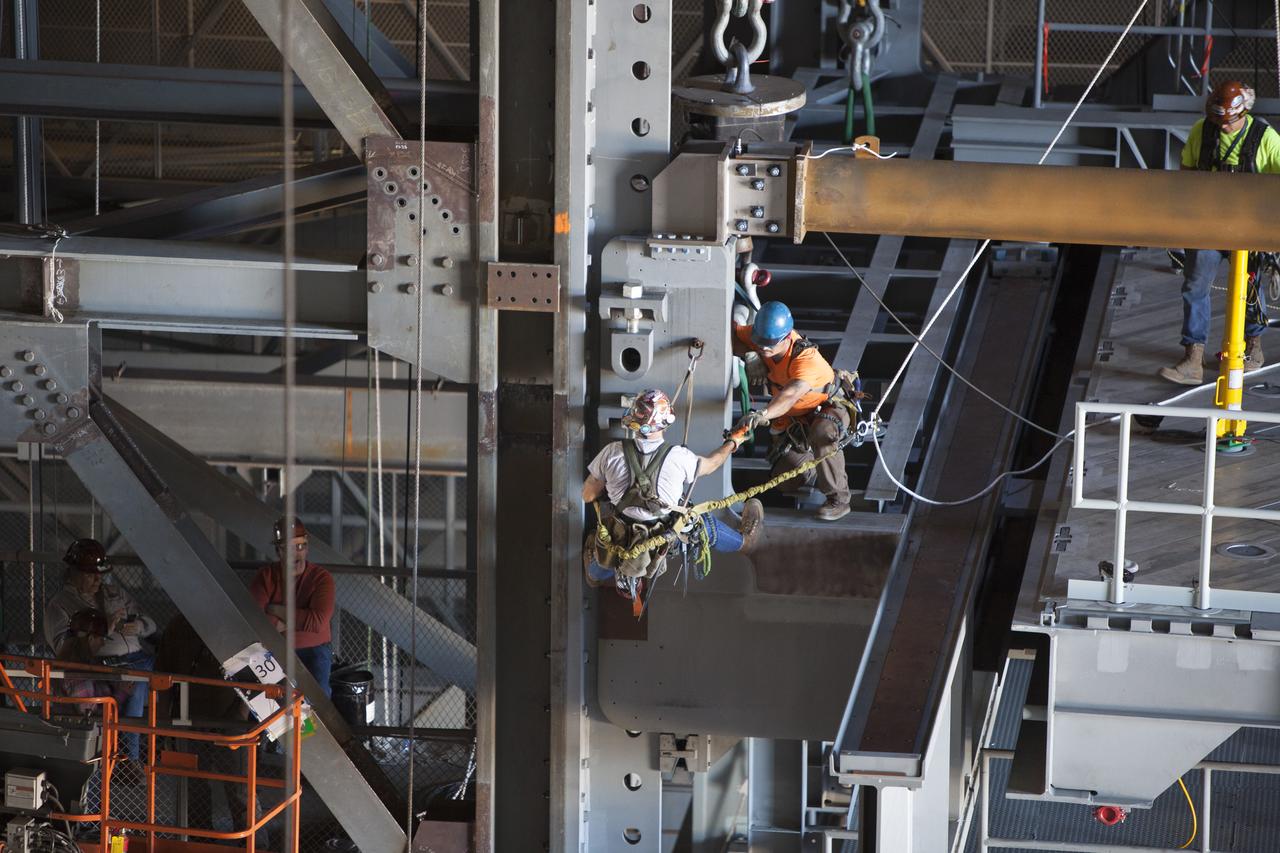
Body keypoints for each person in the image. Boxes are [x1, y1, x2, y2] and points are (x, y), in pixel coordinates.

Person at [582, 389, 764, 596]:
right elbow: (713, 463)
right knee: (704, 524)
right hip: (664, 531)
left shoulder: (612, 452)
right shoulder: (679, 457)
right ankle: (745, 543)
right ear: (666, 421)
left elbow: (587, 495)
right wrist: (733, 441)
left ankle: (595, 575)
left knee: (611, 548)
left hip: (622, 529)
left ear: (633, 420)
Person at [1160, 81, 1280, 385]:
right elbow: (1187, 174)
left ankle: (1252, 348)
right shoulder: (1203, 130)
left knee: (1250, 290)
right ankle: (1193, 359)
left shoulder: (1265, 139)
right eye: (1220, 122)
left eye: (1229, 122)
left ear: (1243, 114)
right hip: (1209, 226)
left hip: (1249, 228)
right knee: (1195, 286)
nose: (1225, 128)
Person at [155, 614, 270, 848]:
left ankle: (255, 845)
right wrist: (164, 718)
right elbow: (162, 671)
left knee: (240, 787)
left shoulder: (232, 621)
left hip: (230, 722)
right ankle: (200, 843)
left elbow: (259, 672)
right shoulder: (179, 625)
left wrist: (241, 714)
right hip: (188, 717)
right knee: (193, 787)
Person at [732, 301, 852, 521]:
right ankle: (818, 467)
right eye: (759, 343)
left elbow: (790, 395)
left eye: (769, 344)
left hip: (827, 409)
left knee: (823, 433)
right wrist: (751, 356)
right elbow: (731, 336)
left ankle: (839, 499)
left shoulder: (806, 360)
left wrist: (763, 415)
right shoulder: (763, 338)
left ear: (787, 338)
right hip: (798, 421)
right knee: (787, 479)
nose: (764, 348)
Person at [44, 538, 157, 762]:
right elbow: (64, 650)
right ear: (74, 572)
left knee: (154, 674)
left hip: (139, 660)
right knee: (136, 685)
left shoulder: (115, 593)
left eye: (100, 574)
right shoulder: (60, 604)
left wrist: (140, 626)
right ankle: (128, 758)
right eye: (90, 574)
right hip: (103, 667)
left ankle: (134, 752)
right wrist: (105, 627)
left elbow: (151, 623)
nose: (98, 579)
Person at [249, 518, 336, 697]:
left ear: (307, 548)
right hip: (273, 648)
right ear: (278, 551)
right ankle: (265, 725)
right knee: (262, 698)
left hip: (313, 650)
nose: (296, 553)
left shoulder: (321, 578)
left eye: (300, 546)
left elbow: (318, 622)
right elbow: (255, 622)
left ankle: (311, 727)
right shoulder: (265, 577)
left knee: (318, 700)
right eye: (289, 548)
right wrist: (302, 621)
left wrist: (274, 610)